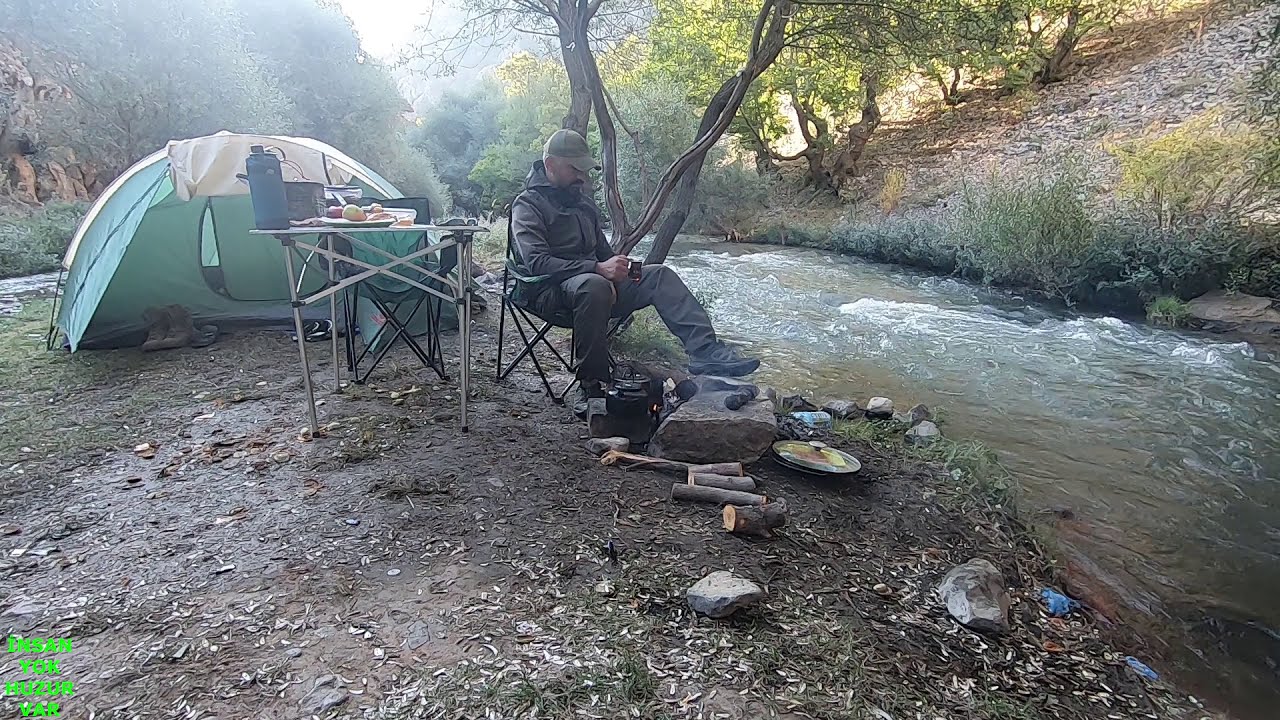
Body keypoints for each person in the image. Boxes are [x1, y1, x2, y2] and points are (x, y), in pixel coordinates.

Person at [510, 129, 759, 409]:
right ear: (550, 165)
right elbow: (536, 262)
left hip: (593, 286)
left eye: (584, 170)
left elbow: (604, 254)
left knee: (658, 275)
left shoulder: (583, 204)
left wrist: (622, 269)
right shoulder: (527, 205)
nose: (582, 177)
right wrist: (597, 269)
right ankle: (591, 384)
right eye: (574, 169)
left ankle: (705, 352)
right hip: (546, 290)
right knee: (595, 286)